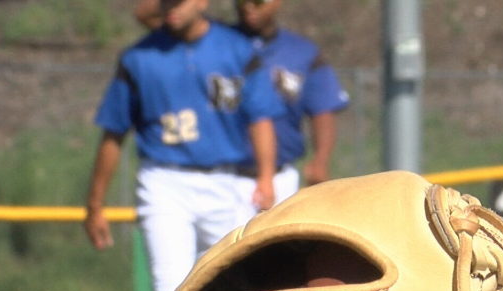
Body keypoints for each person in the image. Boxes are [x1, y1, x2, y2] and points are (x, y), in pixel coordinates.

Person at [85, 0, 284, 291]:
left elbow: (261, 119)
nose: (171, 8)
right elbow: (114, 133)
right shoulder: (139, 57)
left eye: (178, 2)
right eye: (165, 2)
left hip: (225, 181)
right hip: (164, 181)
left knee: (235, 290)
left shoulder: (236, 49)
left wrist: (266, 177)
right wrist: (95, 203)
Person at [135, 0, 350, 203]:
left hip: (279, 174)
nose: (249, 7)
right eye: (241, 0)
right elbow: (147, 15)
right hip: (223, 176)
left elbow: (322, 108)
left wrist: (320, 160)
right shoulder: (213, 40)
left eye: (258, 0)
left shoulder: (302, 52)